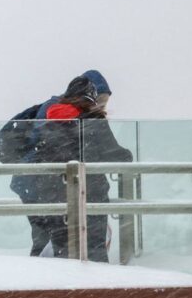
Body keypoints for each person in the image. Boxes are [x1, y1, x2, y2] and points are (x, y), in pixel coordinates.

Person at [33, 75, 132, 262]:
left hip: (55, 198)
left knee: (63, 250)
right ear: (90, 98)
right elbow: (113, 153)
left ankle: (65, 286)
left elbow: (43, 157)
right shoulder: (93, 121)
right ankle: (96, 287)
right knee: (94, 250)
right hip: (90, 194)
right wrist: (127, 156)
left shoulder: (49, 120)